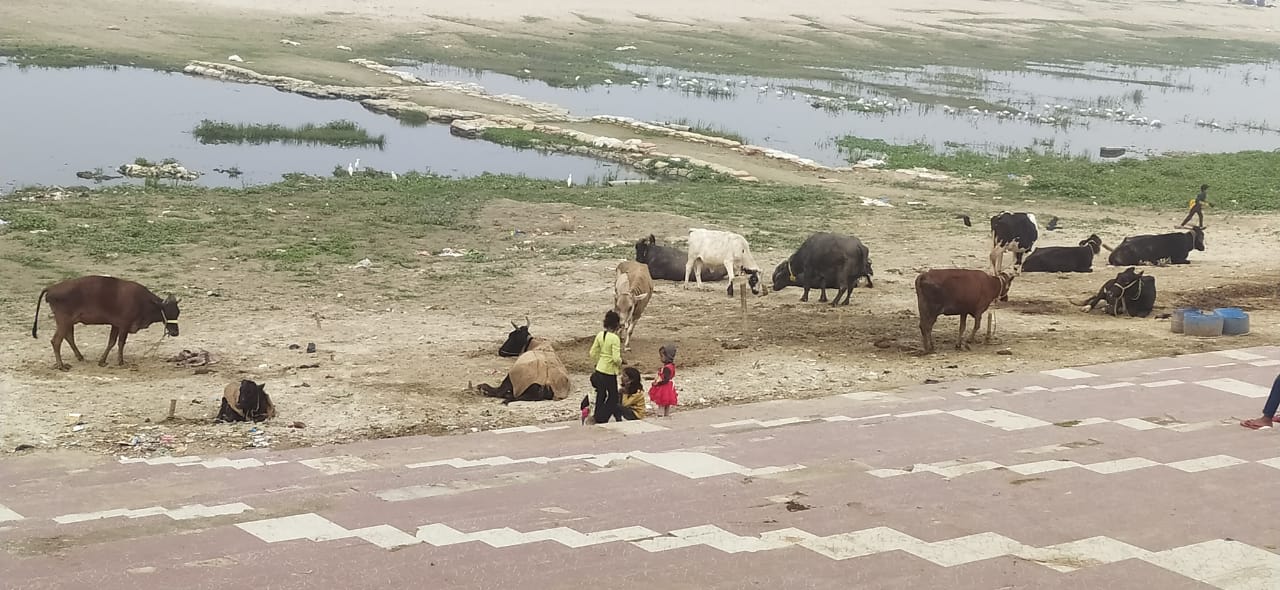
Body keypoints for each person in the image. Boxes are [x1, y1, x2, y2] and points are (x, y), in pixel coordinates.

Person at [588, 310, 623, 424]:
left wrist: (599, 361)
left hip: (599, 369)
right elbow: (616, 358)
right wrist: (621, 363)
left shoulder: (600, 335)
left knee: (601, 394)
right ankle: (602, 417)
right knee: (613, 397)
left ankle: (597, 416)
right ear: (616, 325)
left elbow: (593, 353)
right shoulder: (615, 338)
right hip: (609, 371)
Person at [648, 344, 678, 417]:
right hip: (669, 388)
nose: (660, 358)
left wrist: (657, 384)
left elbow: (665, 380)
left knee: (661, 404)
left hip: (664, 389)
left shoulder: (666, 368)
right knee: (667, 404)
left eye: (662, 356)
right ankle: (666, 415)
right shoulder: (671, 366)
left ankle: (660, 416)